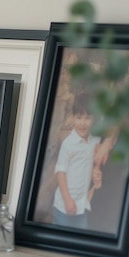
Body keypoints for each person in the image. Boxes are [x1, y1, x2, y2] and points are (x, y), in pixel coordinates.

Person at [52, 92, 102, 229]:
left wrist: (96, 173)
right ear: (73, 118)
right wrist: (67, 200)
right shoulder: (69, 144)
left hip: (82, 205)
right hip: (64, 205)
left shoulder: (94, 141)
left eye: (88, 118)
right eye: (79, 117)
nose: (82, 123)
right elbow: (60, 172)